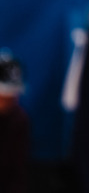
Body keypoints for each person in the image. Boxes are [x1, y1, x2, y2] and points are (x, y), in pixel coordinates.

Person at [0, 50, 29, 193]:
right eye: (3, 95)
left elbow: (17, 171)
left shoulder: (18, 119)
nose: (8, 100)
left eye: (12, 95)